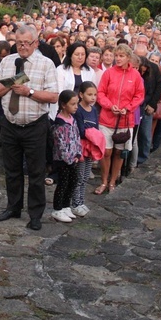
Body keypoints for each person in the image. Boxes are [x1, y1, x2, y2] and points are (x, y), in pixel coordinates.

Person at [0, 25, 59, 231]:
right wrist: (12, 83)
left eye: (26, 43)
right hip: (10, 124)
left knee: (36, 172)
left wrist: (29, 91)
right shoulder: (7, 62)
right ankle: (13, 207)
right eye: (18, 43)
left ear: (36, 43)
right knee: (11, 170)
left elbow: (54, 96)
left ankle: (36, 214)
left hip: (35, 125)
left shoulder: (46, 64)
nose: (22, 47)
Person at [94, 44, 145, 195]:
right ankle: (103, 180)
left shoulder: (135, 75)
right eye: (117, 55)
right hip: (107, 118)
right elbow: (100, 92)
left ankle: (112, 181)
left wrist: (128, 107)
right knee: (106, 151)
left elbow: (139, 95)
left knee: (119, 152)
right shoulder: (108, 73)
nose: (118, 58)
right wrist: (110, 106)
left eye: (121, 56)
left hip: (125, 119)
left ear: (128, 57)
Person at [50, 90, 82, 223]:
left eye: (77, 104)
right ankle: (57, 209)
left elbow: (77, 137)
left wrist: (78, 152)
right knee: (63, 183)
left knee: (73, 181)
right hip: (63, 160)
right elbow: (60, 144)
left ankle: (66, 205)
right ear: (63, 105)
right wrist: (68, 158)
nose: (76, 107)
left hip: (73, 158)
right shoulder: (59, 123)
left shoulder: (72, 119)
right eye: (73, 104)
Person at [71, 81, 101, 218]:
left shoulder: (94, 110)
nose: (93, 97)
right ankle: (75, 203)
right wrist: (93, 134)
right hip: (81, 146)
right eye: (90, 94)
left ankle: (81, 201)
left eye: (95, 94)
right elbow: (80, 131)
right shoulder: (78, 111)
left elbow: (97, 126)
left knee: (86, 176)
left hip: (91, 146)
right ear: (81, 95)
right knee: (79, 176)